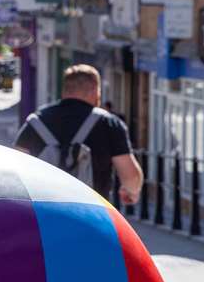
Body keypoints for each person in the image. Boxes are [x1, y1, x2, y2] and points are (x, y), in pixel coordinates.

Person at [15, 63, 143, 204]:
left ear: (64, 90)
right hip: (91, 215)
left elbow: (15, 170)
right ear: (95, 90)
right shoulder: (109, 123)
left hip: (45, 214)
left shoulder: (36, 121)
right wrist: (130, 192)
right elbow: (131, 177)